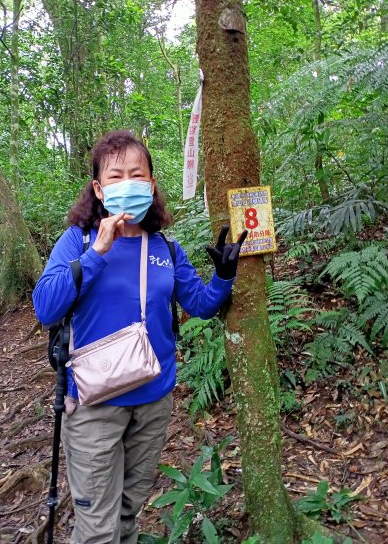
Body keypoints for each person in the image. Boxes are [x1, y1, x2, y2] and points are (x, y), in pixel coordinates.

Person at [33, 130, 245, 544]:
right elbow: (46, 307)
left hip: (153, 400)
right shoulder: (78, 241)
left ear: (150, 184)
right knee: (97, 528)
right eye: (115, 176)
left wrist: (223, 275)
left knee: (129, 511)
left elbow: (200, 305)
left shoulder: (165, 247)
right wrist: (97, 254)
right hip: (95, 403)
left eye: (137, 174)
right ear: (98, 188)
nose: (127, 183)